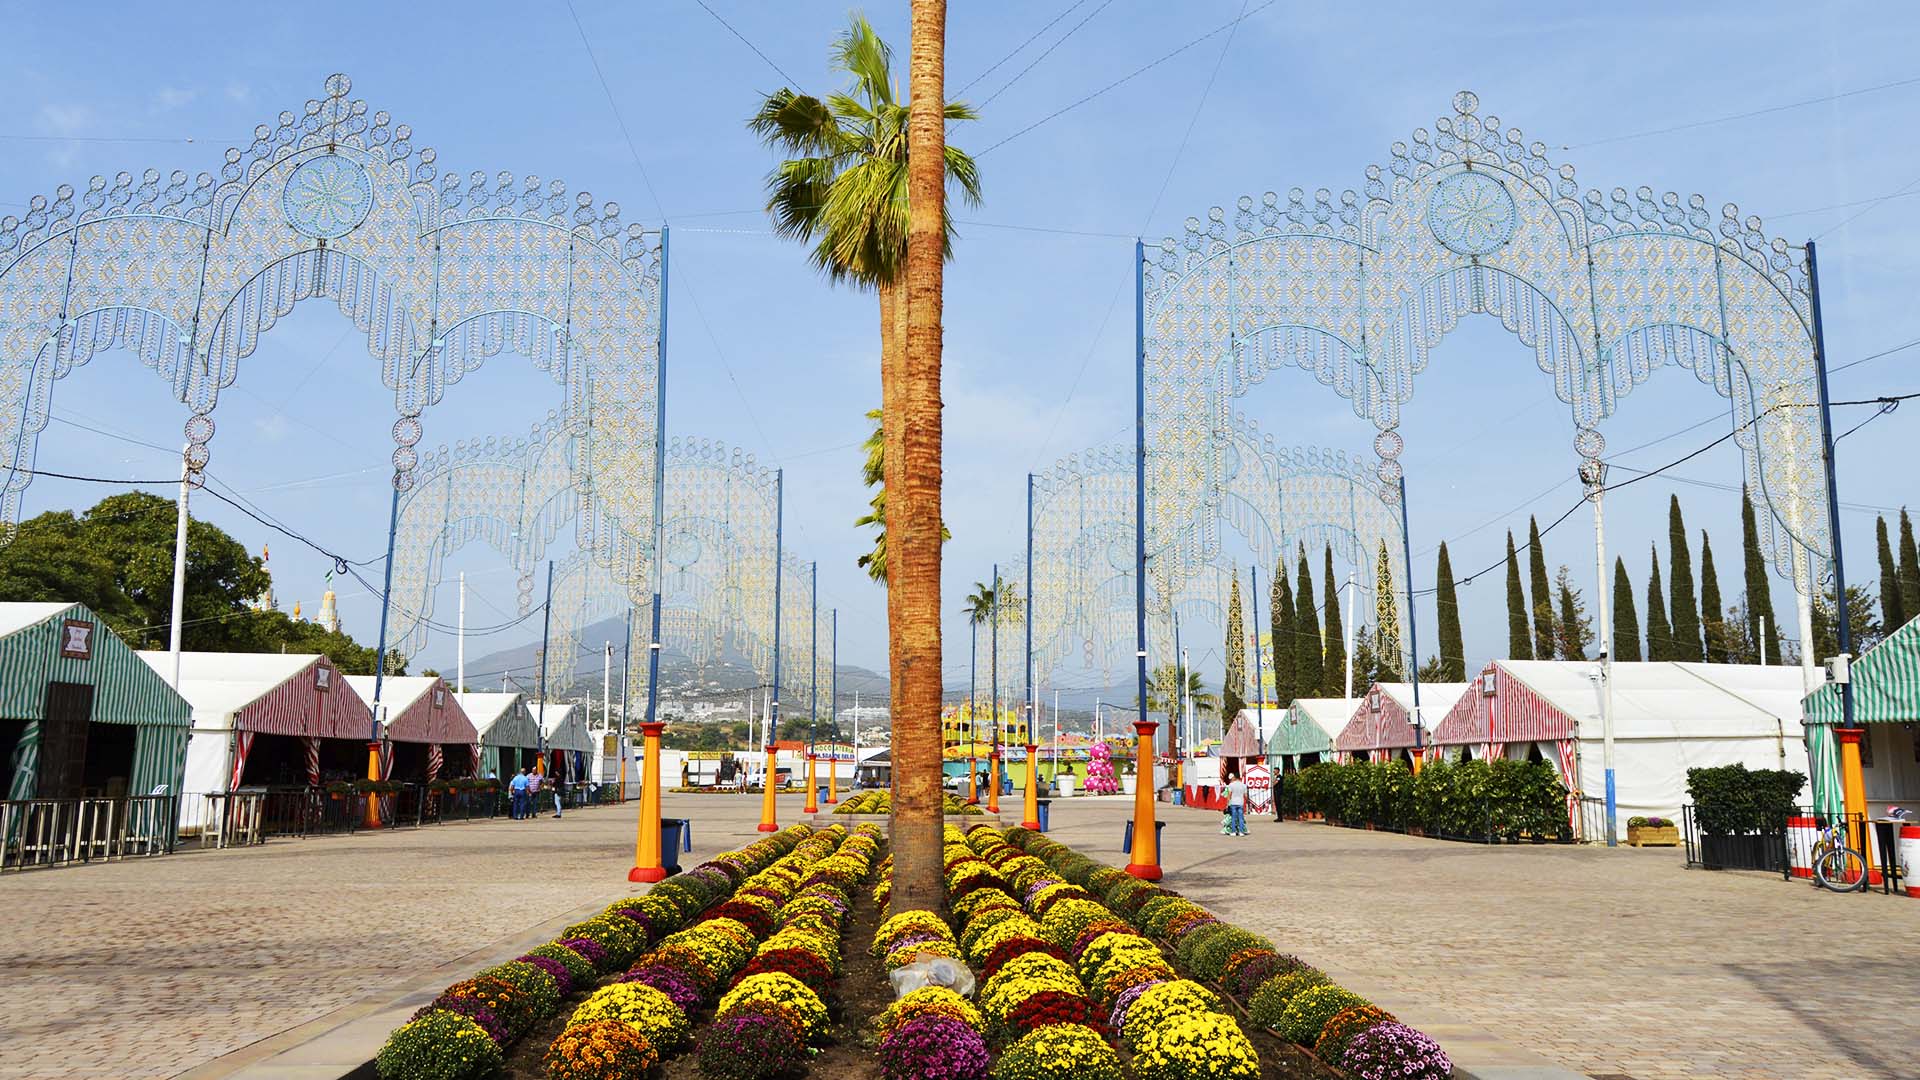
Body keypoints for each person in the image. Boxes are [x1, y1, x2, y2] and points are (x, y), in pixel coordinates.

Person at [1225, 770, 1248, 837]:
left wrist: (1227, 804)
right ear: (1240, 777)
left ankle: (1233, 832)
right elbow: (1246, 796)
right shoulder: (1244, 785)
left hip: (1233, 803)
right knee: (1241, 818)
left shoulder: (1231, 785)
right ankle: (1241, 832)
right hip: (1240, 803)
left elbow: (1229, 795)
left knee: (1233, 818)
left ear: (1234, 777)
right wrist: (1247, 802)